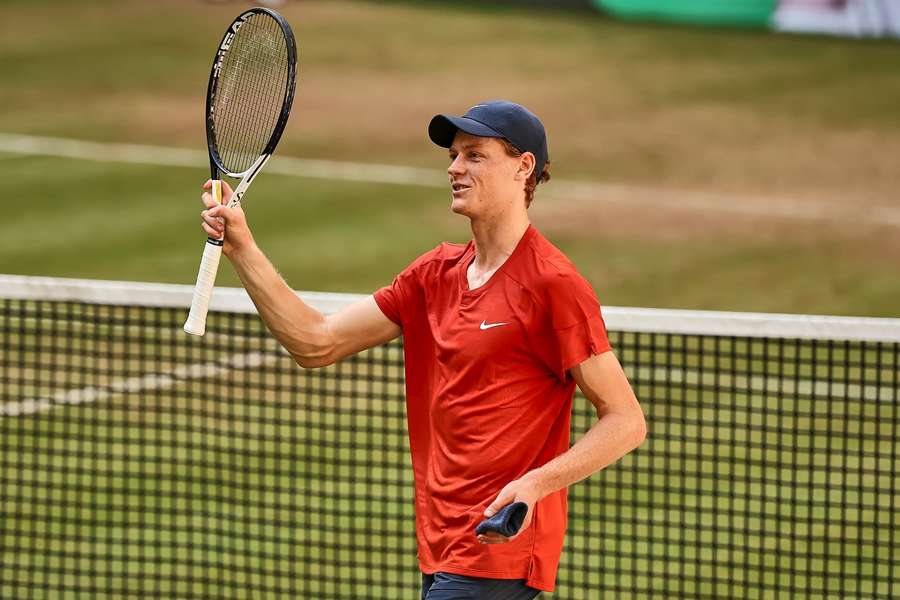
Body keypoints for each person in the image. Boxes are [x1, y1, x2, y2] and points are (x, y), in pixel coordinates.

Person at [199, 100, 647, 599]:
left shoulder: (552, 285)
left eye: (474, 156)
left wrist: (538, 483)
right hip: (439, 545)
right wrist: (242, 247)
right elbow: (315, 343)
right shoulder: (433, 277)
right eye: (453, 156)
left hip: (500, 547)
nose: (454, 168)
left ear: (523, 168)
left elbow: (626, 420)